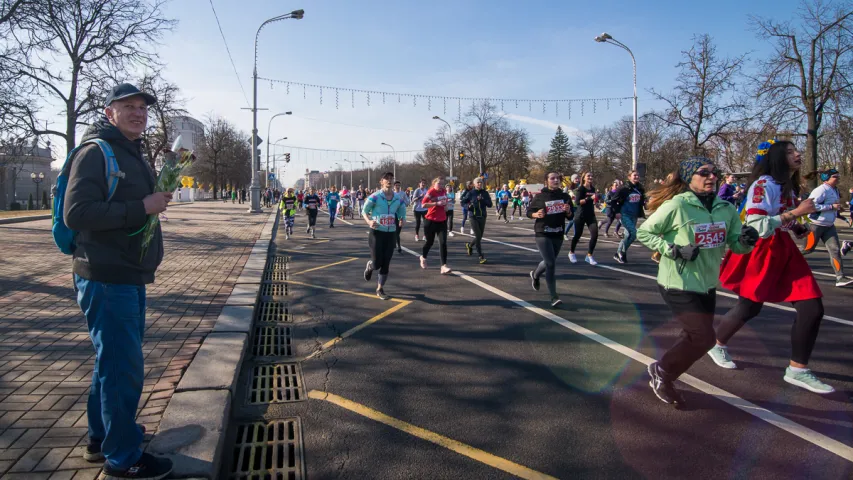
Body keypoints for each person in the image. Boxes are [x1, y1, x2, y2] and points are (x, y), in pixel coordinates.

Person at [64, 83, 173, 478]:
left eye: (142, 108)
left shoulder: (133, 152)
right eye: (128, 106)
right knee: (121, 367)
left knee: (110, 362)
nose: (138, 113)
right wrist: (141, 206)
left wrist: (155, 200)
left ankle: (101, 438)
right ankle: (123, 458)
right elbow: (76, 213)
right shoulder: (96, 152)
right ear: (109, 112)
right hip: (107, 277)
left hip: (128, 273)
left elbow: (135, 208)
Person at [712, 140, 834, 394]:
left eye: (797, 150)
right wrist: (795, 214)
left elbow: (780, 216)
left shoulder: (786, 185)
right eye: (790, 152)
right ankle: (716, 343)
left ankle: (798, 369)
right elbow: (756, 224)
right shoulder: (764, 184)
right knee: (750, 305)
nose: (798, 154)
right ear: (778, 158)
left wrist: (795, 225)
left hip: (782, 248)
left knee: (812, 306)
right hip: (761, 250)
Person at [637, 157, 758, 405]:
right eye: (704, 173)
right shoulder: (678, 205)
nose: (711, 177)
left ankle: (663, 371)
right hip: (677, 282)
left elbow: (736, 245)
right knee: (703, 338)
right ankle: (662, 373)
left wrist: (747, 240)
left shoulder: (726, 208)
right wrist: (674, 249)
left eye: (714, 173)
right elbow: (644, 232)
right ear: (689, 177)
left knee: (696, 338)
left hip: (707, 283)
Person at [528, 172, 574, 308]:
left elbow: (571, 217)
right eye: (552, 178)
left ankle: (535, 275)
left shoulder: (564, 197)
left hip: (558, 233)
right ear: (546, 181)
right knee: (551, 263)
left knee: (549, 261)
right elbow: (529, 212)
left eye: (557, 178)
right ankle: (554, 297)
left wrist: (568, 211)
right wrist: (536, 214)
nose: (555, 180)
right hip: (543, 232)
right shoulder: (540, 196)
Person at [801, 168, 853, 287]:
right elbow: (811, 205)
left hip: (829, 226)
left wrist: (837, 209)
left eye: (838, 176)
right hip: (816, 224)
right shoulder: (820, 190)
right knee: (807, 249)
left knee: (835, 250)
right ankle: (782, 264)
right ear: (827, 179)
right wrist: (831, 207)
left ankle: (840, 277)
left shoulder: (834, 189)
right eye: (835, 176)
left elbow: (832, 206)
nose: (838, 178)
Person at [363, 172, 407, 300]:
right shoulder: (375, 197)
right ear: (381, 181)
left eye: (391, 179)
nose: (389, 181)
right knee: (377, 263)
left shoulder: (398, 198)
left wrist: (402, 219)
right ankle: (370, 266)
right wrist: (369, 221)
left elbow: (402, 211)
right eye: (386, 179)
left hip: (391, 233)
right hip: (377, 233)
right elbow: (364, 211)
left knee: (386, 263)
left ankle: (380, 288)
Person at [611, 170, 646, 264]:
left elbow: (642, 200)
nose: (637, 177)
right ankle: (620, 252)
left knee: (627, 235)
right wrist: (617, 212)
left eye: (638, 175)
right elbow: (613, 201)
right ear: (629, 177)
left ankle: (619, 254)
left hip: (634, 215)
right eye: (634, 175)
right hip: (625, 214)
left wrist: (645, 204)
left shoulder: (640, 188)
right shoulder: (624, 189)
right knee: (633, 233)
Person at [420, 177, 452, 274]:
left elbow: (445, 206)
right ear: (434, 184)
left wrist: (446, 206)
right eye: (439, 184)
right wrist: (436, 203)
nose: (441, 186)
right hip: (430, 220)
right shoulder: (430, 192)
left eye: (442, 184)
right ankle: (423, 257)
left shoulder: (444, 192)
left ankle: (444, 266)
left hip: (442, 220)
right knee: (430, 242)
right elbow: (423, 205)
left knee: (443, 243)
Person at [568, 172, 600, 265]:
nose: (590, 177)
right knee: (578, 235)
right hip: (580, 214)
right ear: (584, 178)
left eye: (591, 175)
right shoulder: (581, 189)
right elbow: (578, 202)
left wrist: (596, 204)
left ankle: (589, 255)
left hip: (591, 215)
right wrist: (589, 198)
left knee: (595, 235)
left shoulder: (593, 188)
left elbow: (593, 200)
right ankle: (571, 252)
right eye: (588, 176)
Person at [461, 177, 492, 264]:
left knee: (479, 237)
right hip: (473, 217)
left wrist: (483, 199)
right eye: (478, 182)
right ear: (474, 184)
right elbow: (462, 202)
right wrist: (468, 206)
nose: (479, 184)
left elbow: (490, 204)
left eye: (481, 182)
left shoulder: (485, 193)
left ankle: (470, 245)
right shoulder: (471, 193)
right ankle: (481, 256)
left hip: (482, 216)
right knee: (478, 236)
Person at [393, 181, 410, 253]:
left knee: (398, 231)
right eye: (396, 185)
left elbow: (407, 202)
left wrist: (403, 202)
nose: (397, 186)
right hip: (393, 213)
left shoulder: (403, 193)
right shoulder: (391, 193)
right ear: (394, 186)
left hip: (401, 214)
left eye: (399, 185)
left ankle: (396, 242)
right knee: (394, 230)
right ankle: (398, 246)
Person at [564, 174, 580, 240]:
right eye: (575, 178)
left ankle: (575, 235)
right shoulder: (568, 187)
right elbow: (564, 195)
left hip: (578, 206)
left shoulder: (580, 186)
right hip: (571, 205)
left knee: (575, 221)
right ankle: (565, 233)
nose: (577, 180)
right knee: (573, 220)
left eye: (578, 178)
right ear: (572, 180)